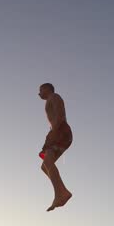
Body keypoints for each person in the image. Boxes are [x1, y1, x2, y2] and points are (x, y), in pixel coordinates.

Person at [38, 83, 73, 211]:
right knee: (44, 166)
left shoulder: (54, 97)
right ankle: (61, 191)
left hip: (60, 131)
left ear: (48, 89)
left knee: (47, 162)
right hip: (56, 131)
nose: (39, 93)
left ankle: (60, 194)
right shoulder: (50, 100)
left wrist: (55, 132)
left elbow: (60, 114)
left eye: (40, 90)